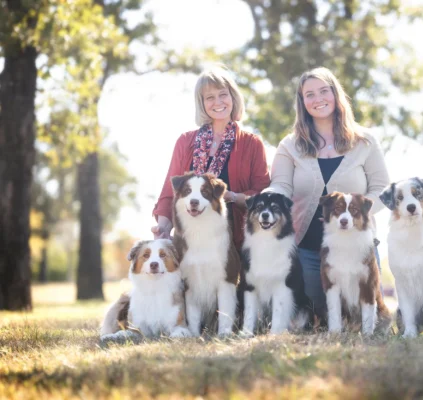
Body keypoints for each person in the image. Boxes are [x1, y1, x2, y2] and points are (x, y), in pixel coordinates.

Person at [266, 67, 390, 320]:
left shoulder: (364, 141)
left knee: (362, 315)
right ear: (302, 102)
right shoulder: (290, 146)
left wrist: (358, 217)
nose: (318, 98)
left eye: (324, 91)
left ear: (336, 94)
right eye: (309, 94)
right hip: (307, 250)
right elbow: (281, 186)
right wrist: (266, 197)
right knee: (317, 315)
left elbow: (383, 189)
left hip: (358, 248)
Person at [152, 66, 270, 250]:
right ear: (202, 103)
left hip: (236, 245)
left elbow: (263, 195)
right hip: (190, 245)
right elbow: (169, 194)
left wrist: (232, 197)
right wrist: (163, 228)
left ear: (233, 97)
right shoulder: (185, 142)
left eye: (223, 94)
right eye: (210, 97)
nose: (218, 102)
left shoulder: (251, 144)